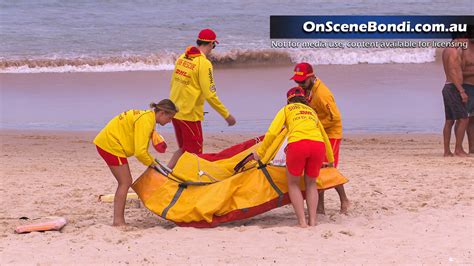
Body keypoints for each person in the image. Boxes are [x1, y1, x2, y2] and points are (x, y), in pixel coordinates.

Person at [253, 87, 334, 228]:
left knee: (293, 183)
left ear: (288, 100)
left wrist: (261, 152)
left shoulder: (286, 109)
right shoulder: (312, 112)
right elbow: (325, 136)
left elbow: (272, 133)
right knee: (311, 183)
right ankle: (313, 221)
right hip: (318, 146)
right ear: (305, 99)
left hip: (298, 145)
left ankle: (302, 222)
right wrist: (331, 159)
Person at [94, 99, 178, 226]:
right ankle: (118, 221)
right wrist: (153, 163)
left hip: (110, 142)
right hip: (110, 145)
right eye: (170, 118)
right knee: (125, 182)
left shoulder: (148, 117)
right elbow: (140, 152)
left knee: (125, 181)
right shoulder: (146, 121)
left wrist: (152, 161)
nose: (170, 122)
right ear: (161, 113)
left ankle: (118, 221)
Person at [168, 28, 236, 168]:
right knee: (195, 156)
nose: (213, 48)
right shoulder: (204, 64)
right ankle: (189, 183)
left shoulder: (182, 57)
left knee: (183, 150)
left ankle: (164, 175)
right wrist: (226, 115)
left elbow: (173, 83)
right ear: (211, 43)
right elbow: (210, 94)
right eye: (214, 45)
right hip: (189, 116)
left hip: (174, 111)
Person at [290, 62, 350, 214]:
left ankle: (344, 200)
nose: (300, 84)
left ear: (311, 77)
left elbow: (335, 118)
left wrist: (315, 124)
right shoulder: (308, 89)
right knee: (316, 169)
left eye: (302, 81)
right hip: (317, 131)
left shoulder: (323, 94)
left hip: (331, 133)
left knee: (328, 168)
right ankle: (320, 206)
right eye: (297, 81)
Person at [442, 34, 470, 157]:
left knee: (449, 121)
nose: (467, 40)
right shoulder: (452, 52)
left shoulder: (449, 50)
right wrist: (461, 91)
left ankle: (447, 151)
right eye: (465, 38)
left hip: (449, 87)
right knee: (464, 119)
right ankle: (458, 149)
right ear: (458, 38)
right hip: (454, 88)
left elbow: (459, 68)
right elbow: (452, 72)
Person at [461, 25, 474, 154]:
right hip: (467, 86)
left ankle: (472, 148)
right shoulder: (464, 49)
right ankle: (459, 147)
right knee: (464, 118)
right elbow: (457, 72)